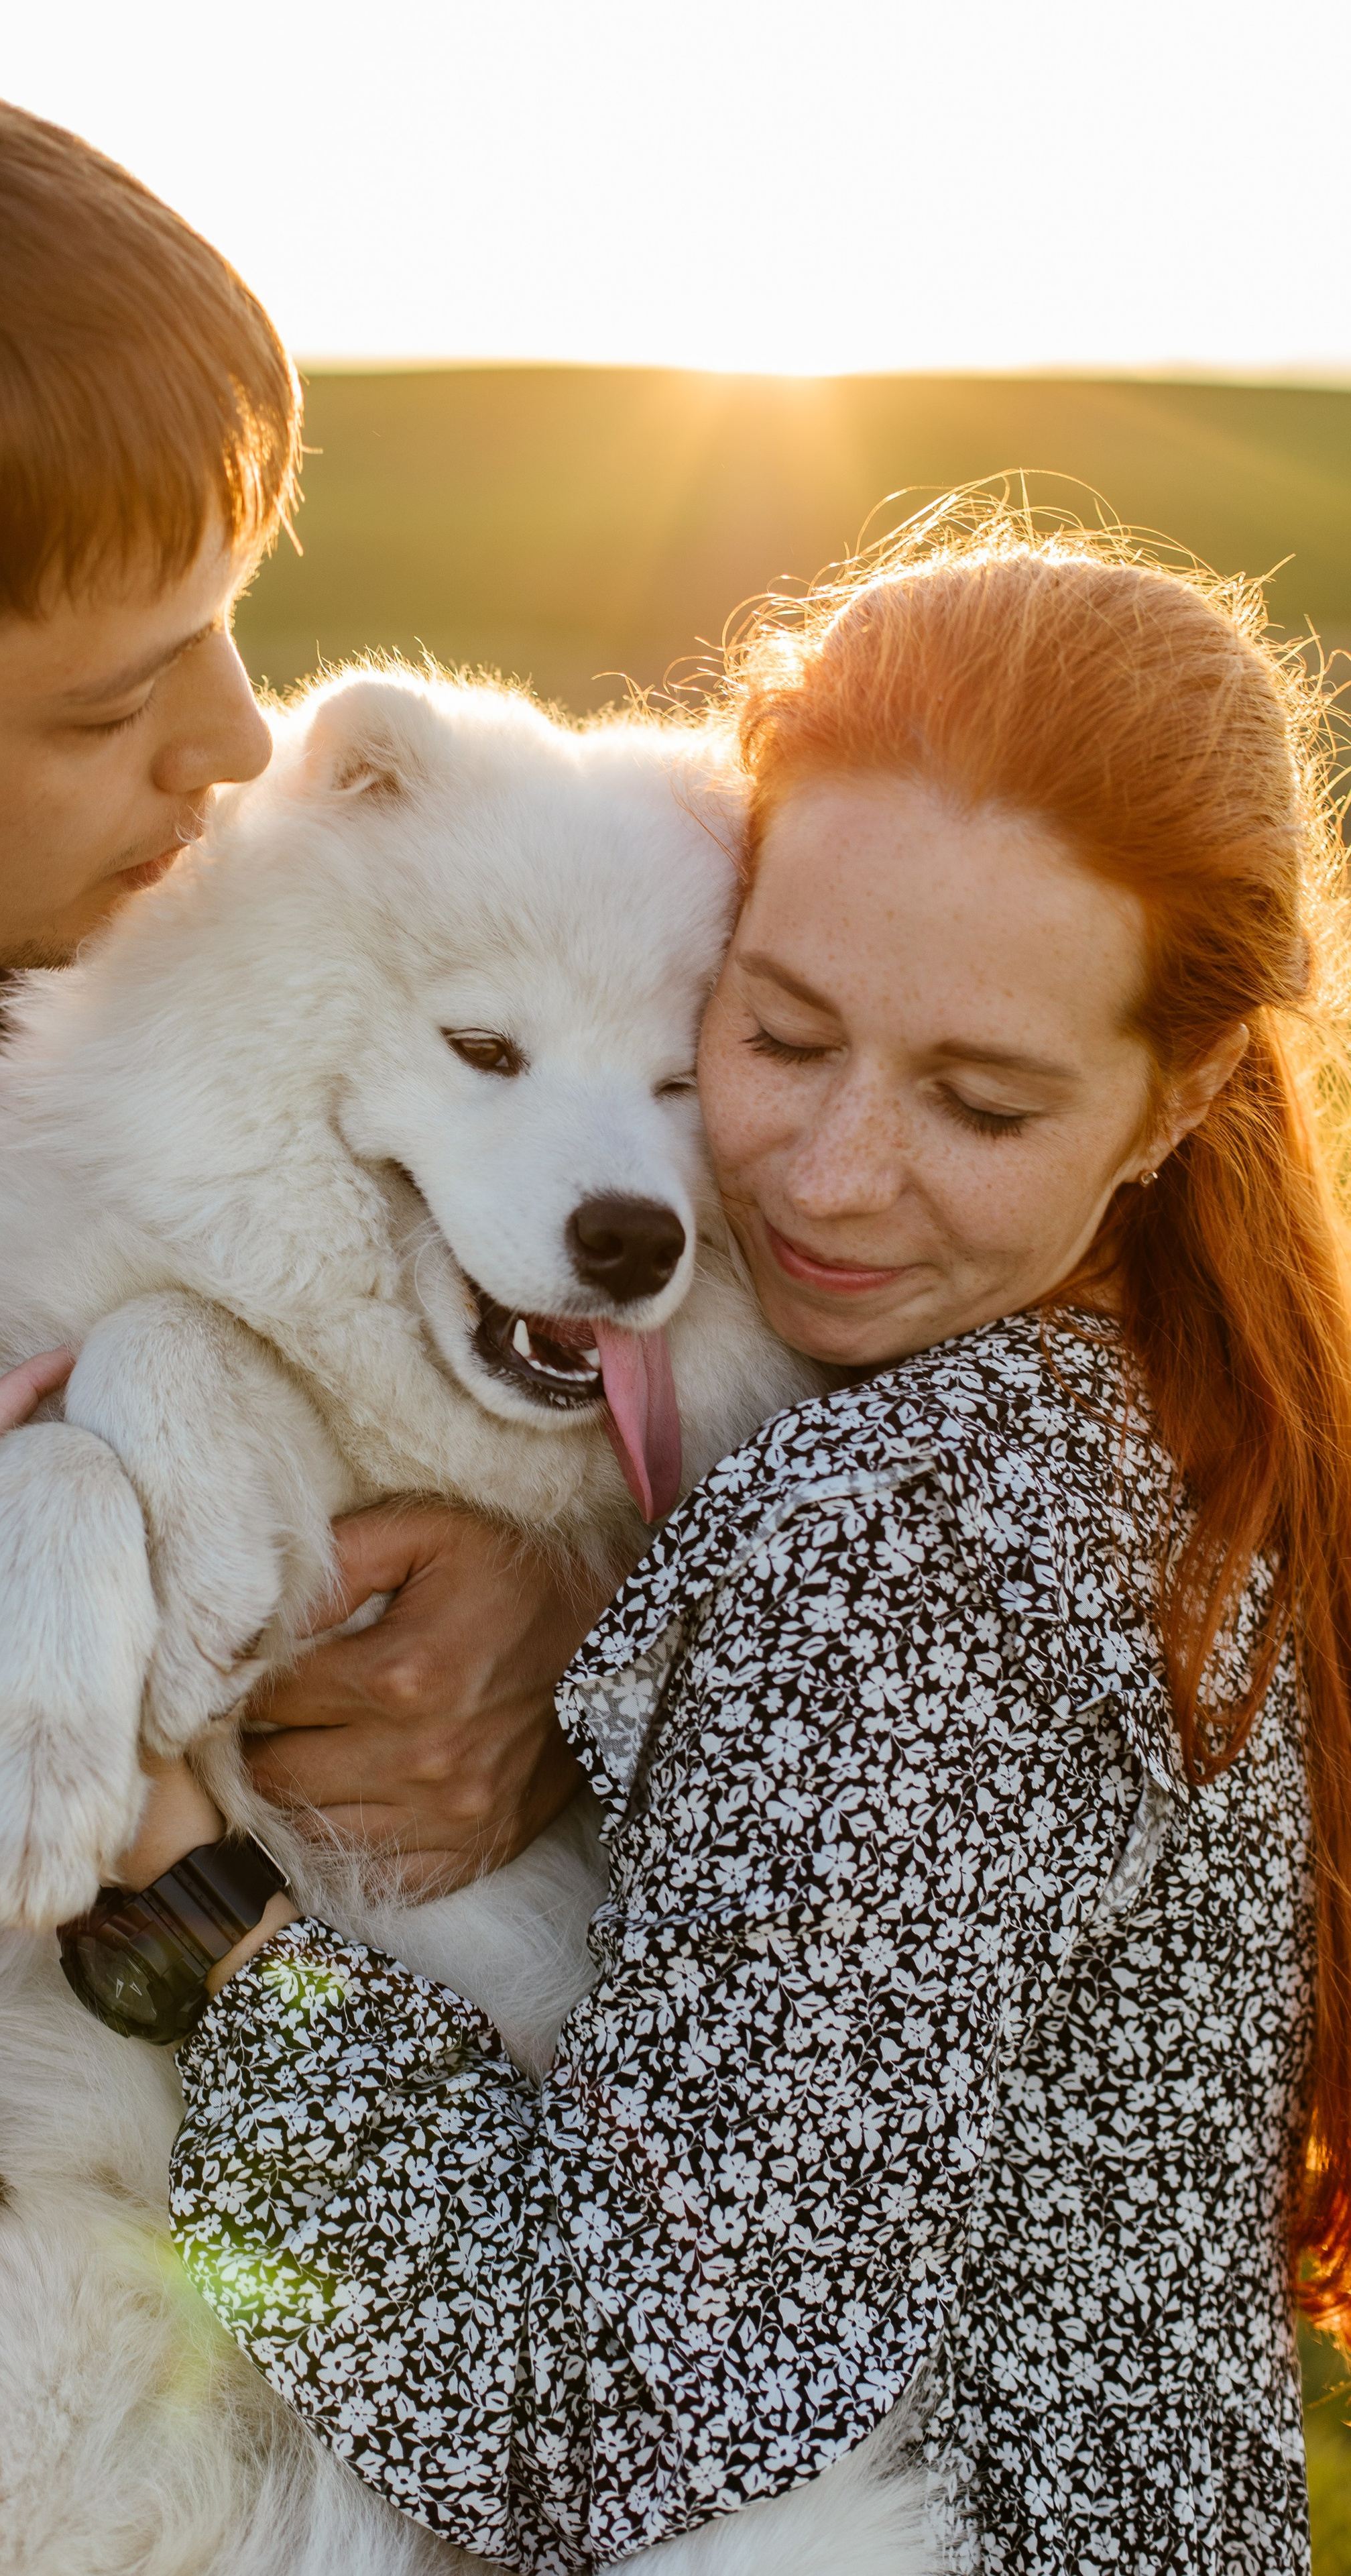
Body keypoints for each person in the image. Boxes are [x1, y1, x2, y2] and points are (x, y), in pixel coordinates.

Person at [132, 516, 1345, 2571]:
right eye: (773, 1037)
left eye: (980, 1101)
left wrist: (178, 1910)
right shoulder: (1174, 1395)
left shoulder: (908, 1527)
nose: (832, 1176)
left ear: (1176, 1097)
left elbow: (580, 2419)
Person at [0, 37, 593, 2571]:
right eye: (105, 701)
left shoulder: (67, 987)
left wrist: (508, 1588)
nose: (241, 737)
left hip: (146, 2351)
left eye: (230, 623)